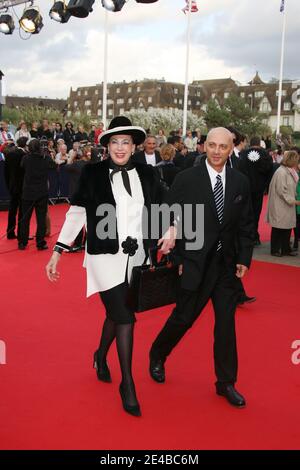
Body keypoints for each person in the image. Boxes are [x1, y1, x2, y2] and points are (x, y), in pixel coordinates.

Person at [46, 116, 164, 417]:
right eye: (115, 142)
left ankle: (100, 354)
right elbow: (76, 213)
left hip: (137, 257)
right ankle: (128, 384)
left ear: (134, 145)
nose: (121, 148)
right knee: (125, 317)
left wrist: (172, 227)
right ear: (106, 146)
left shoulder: (147, 174)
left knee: (117, 312)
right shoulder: (93, 173)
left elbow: (162, 207)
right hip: (104, 257)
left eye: (126, 142)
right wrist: (58, 251)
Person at [149, 127, 255, 408]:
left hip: (226, 268)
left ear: (232, 148)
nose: (217, 151)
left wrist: (244, 258)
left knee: (225, 325)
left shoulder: (240, 182)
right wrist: (176, 246)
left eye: (223, 146)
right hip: (194, 263)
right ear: (203, 146)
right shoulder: (187, 179)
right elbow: (167, 214)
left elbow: (246, 225)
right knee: (183, 318)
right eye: (212, 145)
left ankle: (226, 382)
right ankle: (158, 353)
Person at [266, 150, 300, 257]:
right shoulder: (281, 172)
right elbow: (281, 191)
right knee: (278, 228)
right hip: (280, 204)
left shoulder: (288, 170)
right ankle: (275, 250)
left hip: (286, 204)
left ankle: (286, 249)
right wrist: (293, 201)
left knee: (287, 227)